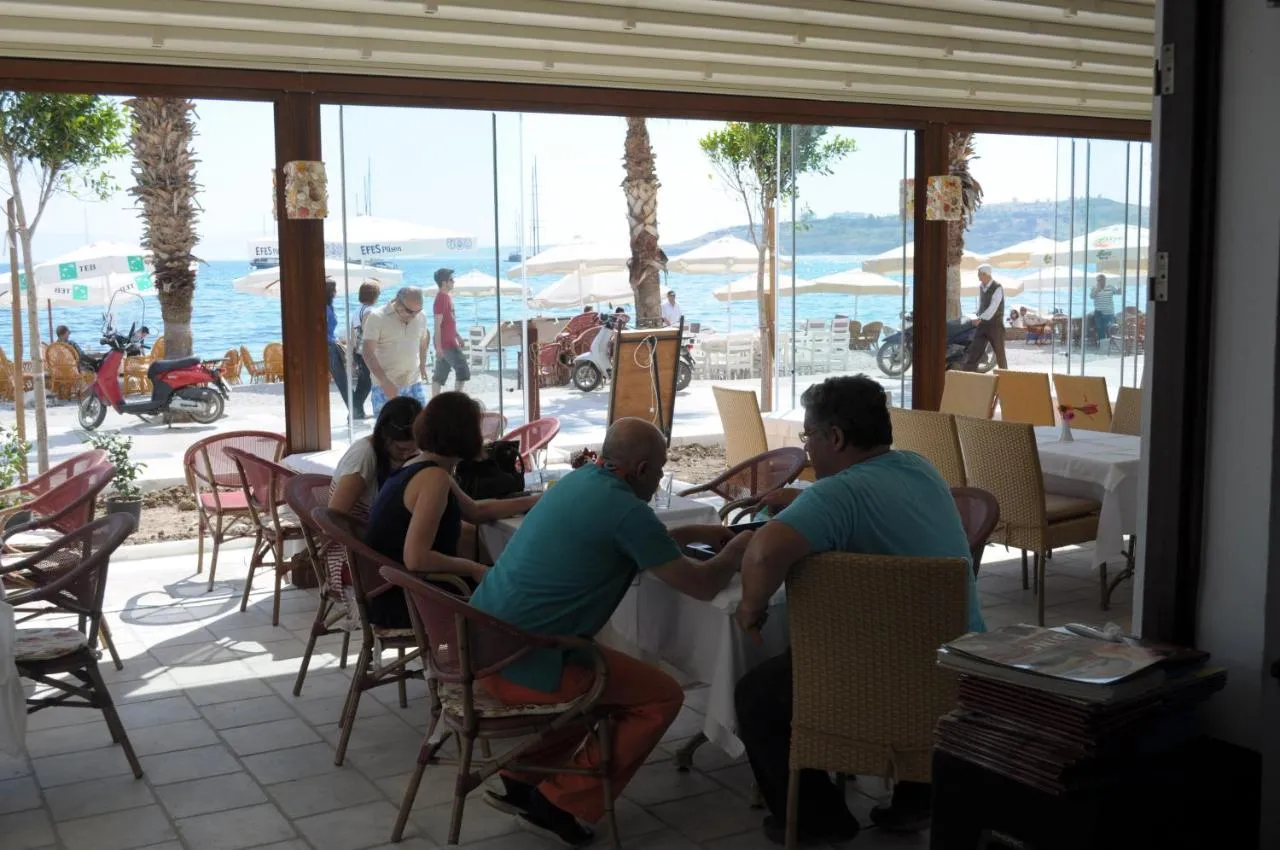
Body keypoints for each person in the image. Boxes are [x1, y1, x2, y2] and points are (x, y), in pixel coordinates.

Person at [468, 418, 754, 847]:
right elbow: (702, 585)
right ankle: (559, 803)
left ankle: (523, 775)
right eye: (659, 469)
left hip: (481, 645)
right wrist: (736, 550)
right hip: (525, 662)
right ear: (642, 469)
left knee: (606, 685)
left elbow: (632, 539)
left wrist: (696, 534)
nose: (660, 477)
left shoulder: (580, 481)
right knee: (660, 697)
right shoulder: (627, 512)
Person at [732, 375, 985, 846]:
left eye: (808, 436)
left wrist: (751, 608)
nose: (807, 448)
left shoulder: (837, 495)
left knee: (756, 695)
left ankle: (818, 820)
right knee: (900, 646)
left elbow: (763, 554)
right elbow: (869, 504)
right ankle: (917, 796)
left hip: (882, 677)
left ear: (835, 437)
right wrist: (806, 502)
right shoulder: (920, 467)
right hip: (959, 665)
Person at [364, 392, 537, 628]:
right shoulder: (433, 478)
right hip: (410, 600)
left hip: (390, 590)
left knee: (512, 590)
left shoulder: (419, 465)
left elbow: (475, 510)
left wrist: (537, 500)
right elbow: (416, 558)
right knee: (525, 598)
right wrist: (475, 568)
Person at [326, 396, 423, 625]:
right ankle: (430, 622)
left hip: (375, 540)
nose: (407, 455)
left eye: (413, 449)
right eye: (401, 448)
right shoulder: (364, 456)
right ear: (384, 437)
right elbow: (333, 517)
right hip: (353, 551)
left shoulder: (403, 455)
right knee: (429, 557)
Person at [362, 286, 430, 415]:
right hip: (386, 385)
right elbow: (367, 352)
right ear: (398, 302)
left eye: (418, 311)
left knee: (422, 424)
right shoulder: (377, 317)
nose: (414, 316)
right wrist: (385, 382)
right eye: (410, 311)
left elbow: (423, 340)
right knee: (388, 426)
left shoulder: (421, 316)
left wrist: (422, 365)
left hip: (414, 382)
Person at [431, 268, 469, 396]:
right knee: (463, 371)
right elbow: (437, 325)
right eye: (451, 280)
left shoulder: (447, 297)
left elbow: (449, 322)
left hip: (449, 341)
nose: (454, 282)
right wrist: (439, 348)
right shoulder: (441, 299)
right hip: (446, 344)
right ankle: (456, 401)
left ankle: (435, 402)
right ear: (444, 282)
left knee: (439, 376)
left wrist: (458, 336)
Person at [345, 280, 380, 420]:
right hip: (367, 351)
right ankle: (355, 412)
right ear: (374, 295)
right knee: (366, 383)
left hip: (358, 351)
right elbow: (369, 332)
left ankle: (356, 412)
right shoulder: (370, 311)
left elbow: (352, 335)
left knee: (363, 382)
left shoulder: (356, 311)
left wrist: (351, 354)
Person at [963, 263, 1007, 370]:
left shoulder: (997, 287)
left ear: (985, 274)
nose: (978, 277)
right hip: (983, 325)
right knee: (974, 351)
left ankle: (1005, 376)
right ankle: (967, 375)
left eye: (979, 275)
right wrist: (977, 314)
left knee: (1000, 354)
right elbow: (982, 305)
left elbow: (993, 307)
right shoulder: (981, 287)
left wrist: (981, 318)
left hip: (995, 326)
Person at [324, 278, 355, 416]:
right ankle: (355, 410)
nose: (336, 292)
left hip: (330, 344)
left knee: (342, 380)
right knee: (342, 380)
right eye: (334, 290)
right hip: (328, 346)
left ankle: (354, 409)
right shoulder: (325, 308)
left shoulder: (328, 307)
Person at [1091, 273, 1119, 347]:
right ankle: (1103, 345)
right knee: (1100, 329)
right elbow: (1092, 296)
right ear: (1097, 281)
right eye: (1099, 280)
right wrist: (1097, 289)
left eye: (1102, 280)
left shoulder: (1110, 287)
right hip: (1099, 312)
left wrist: (1119, 285)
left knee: (1110, 329)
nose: (1100, 281)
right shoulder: (1094, 288)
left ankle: (1110, 344)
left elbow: (1119, 292)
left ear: (1105, 280)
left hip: (1109, 312)